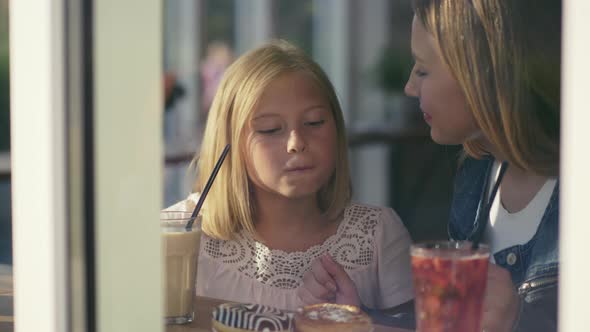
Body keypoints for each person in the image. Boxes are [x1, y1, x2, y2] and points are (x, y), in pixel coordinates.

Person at [171, 40, 414, 311]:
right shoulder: (177, 235)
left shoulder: (378, 235)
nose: (296, 142)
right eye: (270, 129)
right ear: (228, 141)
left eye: (314, 122)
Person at [404, 0, 560, 331]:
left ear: (481, 75)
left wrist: (520, 320)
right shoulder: (475, 176)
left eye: (422, 70)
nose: (409, 87)